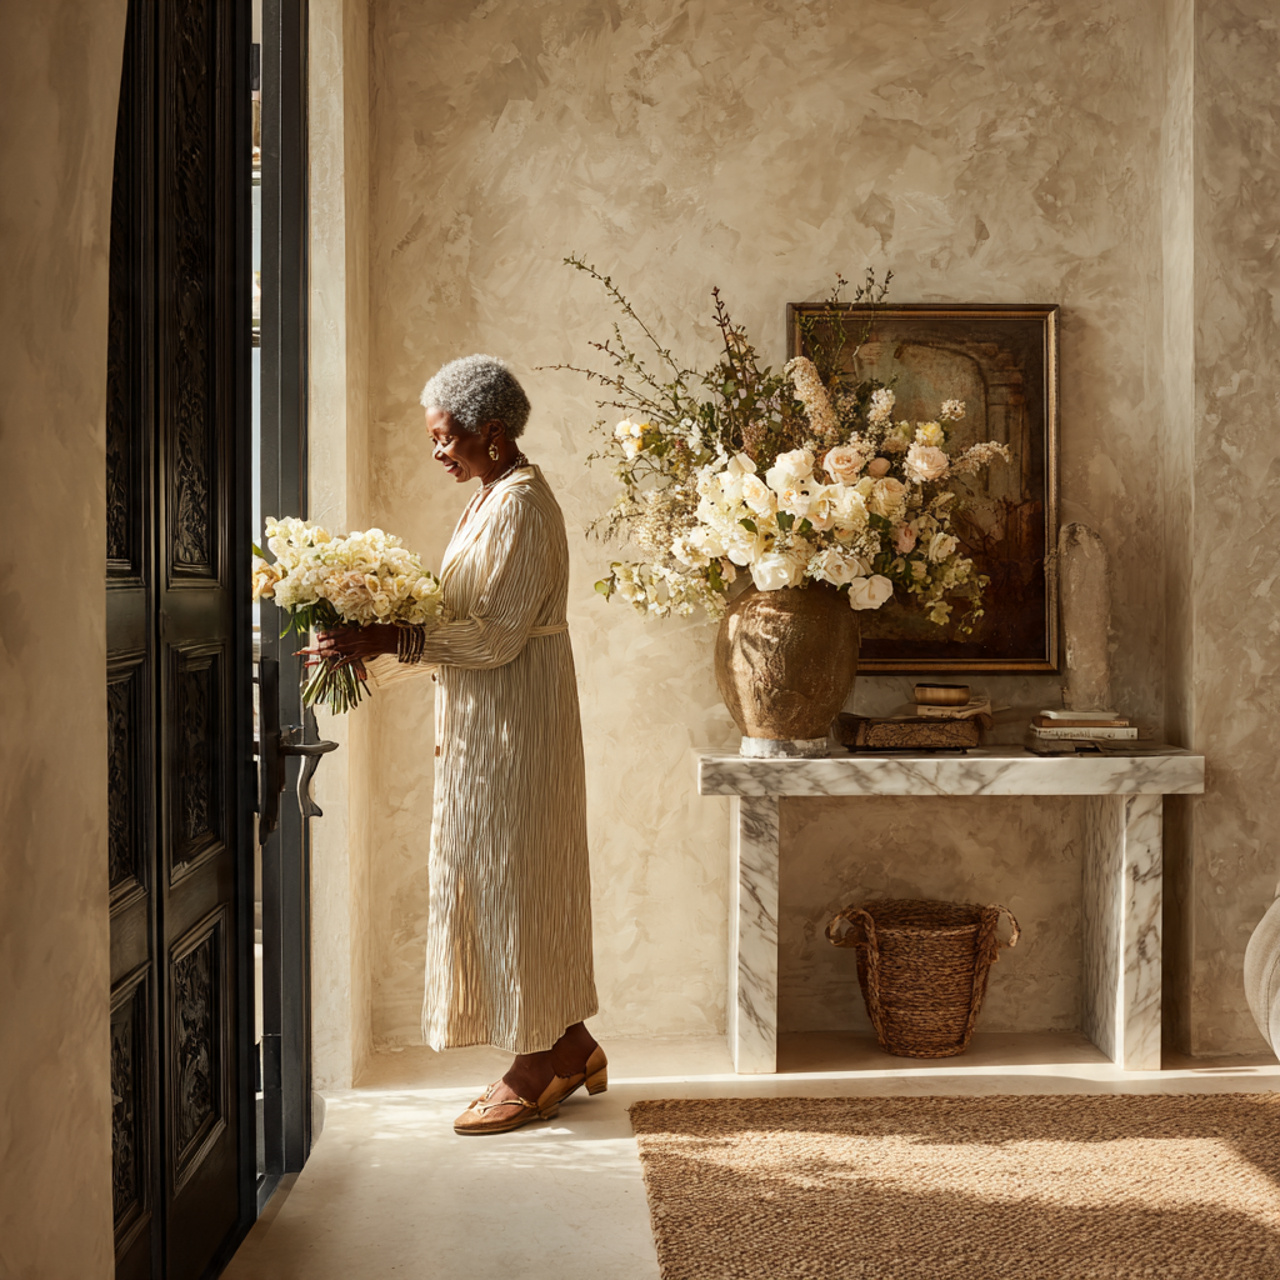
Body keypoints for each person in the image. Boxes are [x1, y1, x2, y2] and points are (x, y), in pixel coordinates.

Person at [316, 355, 603, 1135]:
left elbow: (498, 637)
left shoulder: (519, 505)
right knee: (509, 884)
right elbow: (466, 622)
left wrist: (389, 635)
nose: (437, 452)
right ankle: (571, 1044)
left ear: (494, 433)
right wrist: (373, 637)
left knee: (516, 888)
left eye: (447, 438)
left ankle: (538, 1064)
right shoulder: (488, 499)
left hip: (518, 724)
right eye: (434, 439)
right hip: (492, 722)